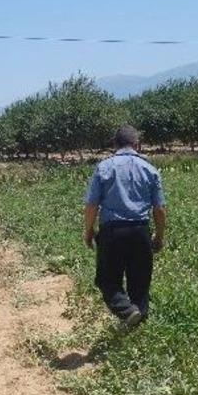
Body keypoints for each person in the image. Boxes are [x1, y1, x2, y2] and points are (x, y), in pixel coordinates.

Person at [83, 125, 166, 328]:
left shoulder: (104, 167)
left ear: (115, 144)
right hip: (141, 231)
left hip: (112, 232)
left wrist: (89, 230)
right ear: (137, 144)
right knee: (140, 283)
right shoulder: (150, 169)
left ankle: (127, 311)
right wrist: (159, 235)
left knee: (107, 280)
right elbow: (159, 209)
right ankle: (138, 324)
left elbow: (92, 205)